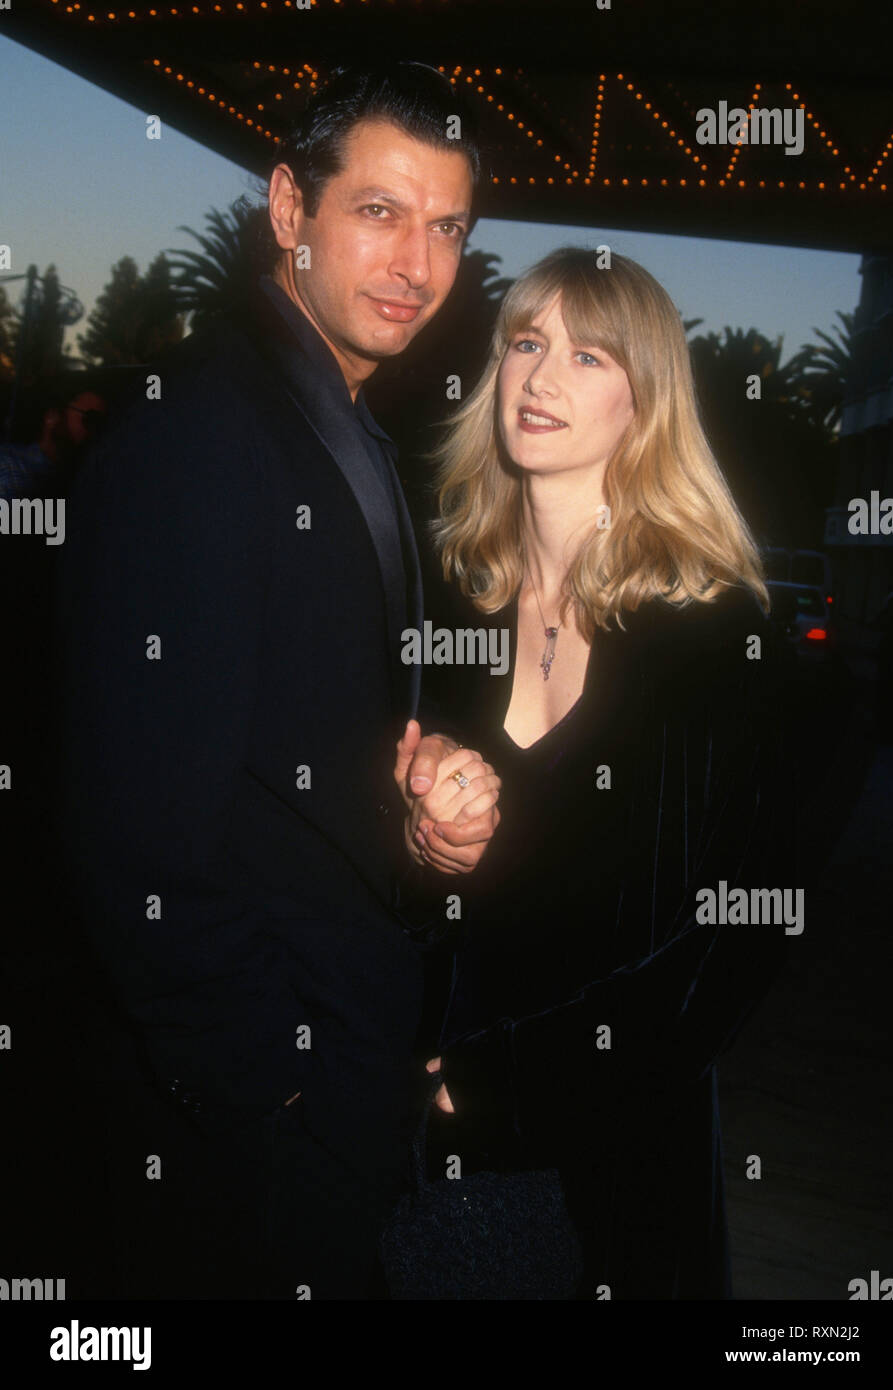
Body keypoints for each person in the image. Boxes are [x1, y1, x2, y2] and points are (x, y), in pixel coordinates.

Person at [54, 62, 501, 1300]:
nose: (417, 261)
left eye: (448, 227)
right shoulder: (200, 440)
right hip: (252, 1117)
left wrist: (407, 780)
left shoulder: (339, 423)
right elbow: (135, 841)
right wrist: (276, 1088)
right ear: (289, 208)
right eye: (378, 211)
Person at [406, 246, 800, 1299]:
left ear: (646, 402)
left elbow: (736, 932)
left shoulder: (715, 636)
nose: (539, 379)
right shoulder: (440, 598)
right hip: (402, 1130)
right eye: (526, 343)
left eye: (586, 357)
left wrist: (493, 1087)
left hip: (608, 1153)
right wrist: (412, 824)